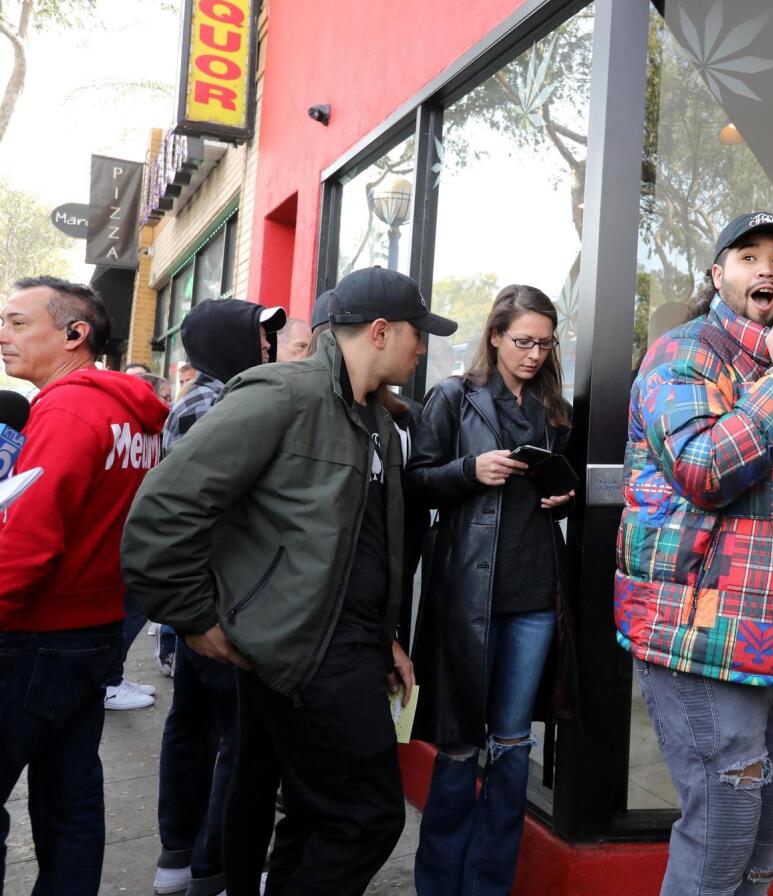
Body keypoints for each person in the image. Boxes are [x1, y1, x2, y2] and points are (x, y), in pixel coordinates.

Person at [122, 267, 456, 896]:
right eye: (418, 334)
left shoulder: (377, 421)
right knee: (369, 816)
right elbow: (164, 510)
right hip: (298, 653)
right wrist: (194, 617)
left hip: (349, 646)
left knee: (317, 812)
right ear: (381, 332)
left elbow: (360, 546)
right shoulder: (282, 395)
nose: (423, 349)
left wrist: (383, 634)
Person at [616, 212, 773, 895]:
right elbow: (703, 470)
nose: (767, 270)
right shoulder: (683, 353)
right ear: (716, 273)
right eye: (749, 256)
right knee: (722, 828)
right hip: (700, 628)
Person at [0, 276, 167, 893]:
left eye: (18, 323)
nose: (3, 336)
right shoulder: (133, 414)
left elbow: (27, 542)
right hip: (94, 631)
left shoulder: (70, 409)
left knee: (67, 797)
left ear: (75, 334)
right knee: (71, 796)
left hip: (35, 637)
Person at [408, 284, 576, 894]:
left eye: (544, 342)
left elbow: (564, 485)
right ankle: (438, 884)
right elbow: (416, 482)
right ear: (497, 336)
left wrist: (566, 495)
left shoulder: (555, 407)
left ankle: (490, 884)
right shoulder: (454, 397)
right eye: (523, 340)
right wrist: (470, 471)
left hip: (534, 595)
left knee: (511, 747)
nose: (533, 353)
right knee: (456, 750)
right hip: (467, 597)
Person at [150, 297, 285, 896]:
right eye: (257, 335)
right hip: (219, 601)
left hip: (202, 599)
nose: (267, 346)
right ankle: (215, 866)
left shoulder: (206, 398)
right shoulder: (216, 403)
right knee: (236, 738)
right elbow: (196, 512)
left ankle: (180, 856)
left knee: (192, 726)